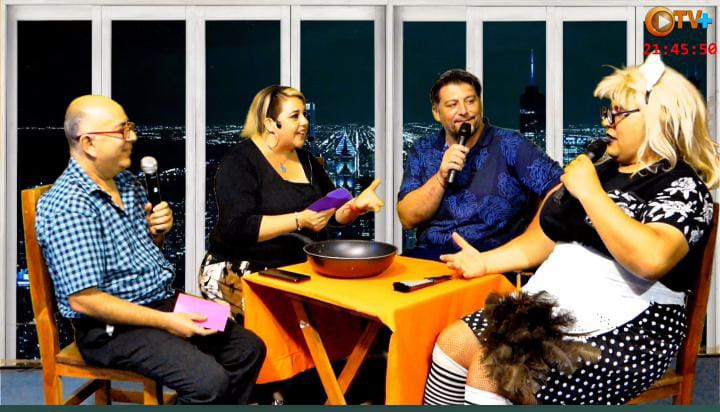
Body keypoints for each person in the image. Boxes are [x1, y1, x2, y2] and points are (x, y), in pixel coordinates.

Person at [423, 55, 719, 405]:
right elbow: (542, 239)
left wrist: (591, 193)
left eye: (618, 114)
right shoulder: (603, 171)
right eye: (607, 112)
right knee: (452, 343)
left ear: (659, 120)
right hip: (555, 301)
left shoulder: (683, 186)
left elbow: (652, 259)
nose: (607, 122)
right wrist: (484, 262)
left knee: (492, 370)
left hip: (634, 324)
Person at [36, 95, 266, 404]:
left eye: (129, 127)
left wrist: (157, 234)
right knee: (208, 382)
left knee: (248, 348)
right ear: (89, 143)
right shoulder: (69, 205)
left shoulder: (126, 183)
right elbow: (84, 299)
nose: (132, 137)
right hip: (111, 328)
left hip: (161, 302)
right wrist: (169, 322)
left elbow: (142, 254)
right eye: (122, 130)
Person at [202, 86, 384, 312]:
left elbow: (329, 213)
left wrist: (354, 207)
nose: (305, 122)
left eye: (305, 114)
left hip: (296, 270)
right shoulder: (239, 162)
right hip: (240, 272)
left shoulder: (306, 160)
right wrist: (300, 220)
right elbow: (237, 228)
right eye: (295, 116)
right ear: (270, 124)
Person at [397, 69, 563, 261]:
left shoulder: (511, 144)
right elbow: (408, 218)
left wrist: (531, 242)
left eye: (470, 101)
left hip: (491, 259)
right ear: (436, 112)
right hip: (431, 257)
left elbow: (559, 188)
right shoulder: (423, 149)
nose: (463, 111)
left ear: (480, 103)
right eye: (452, 104)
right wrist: (441, 178)